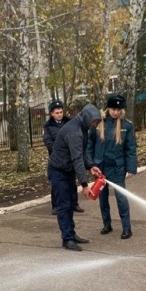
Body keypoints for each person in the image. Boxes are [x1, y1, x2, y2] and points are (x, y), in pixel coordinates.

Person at [48, 103, 102, 251]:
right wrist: (84, 185)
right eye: (94, 122)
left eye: (96, 122)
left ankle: (71, 234)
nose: (95, 125)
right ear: (86, 118)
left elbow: (82, 152)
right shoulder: (74, 132)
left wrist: (91, 166)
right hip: (58, 172)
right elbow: (77, 158)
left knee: (71, 203)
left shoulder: (81, 128)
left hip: (67, 170)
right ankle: (67, 239)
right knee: (64, 206)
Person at [86, 94, 137, 240]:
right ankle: (107, 224)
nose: (115, 112)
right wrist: (90, 164)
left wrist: (131, 168)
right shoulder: (97, 124)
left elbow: (130, 148)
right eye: (113, 109)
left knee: (121, 198)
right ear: (108, 108)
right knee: (103, 198)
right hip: (100, 167)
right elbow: (89, 146)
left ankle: (127, 228)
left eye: (118, 109)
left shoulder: (126, 126)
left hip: (117, 167)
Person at [42, 99, 83, 216]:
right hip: (57, 159)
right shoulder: (48, 126)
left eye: (61, 112)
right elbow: (48, 142)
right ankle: (55, 206)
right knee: (57, 184)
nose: (60, 114)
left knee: (72, 182)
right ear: (52, 114)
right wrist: (59, 149)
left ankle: (74, 203)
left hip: (70, 158)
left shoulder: (69, 122)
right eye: (57, 113)